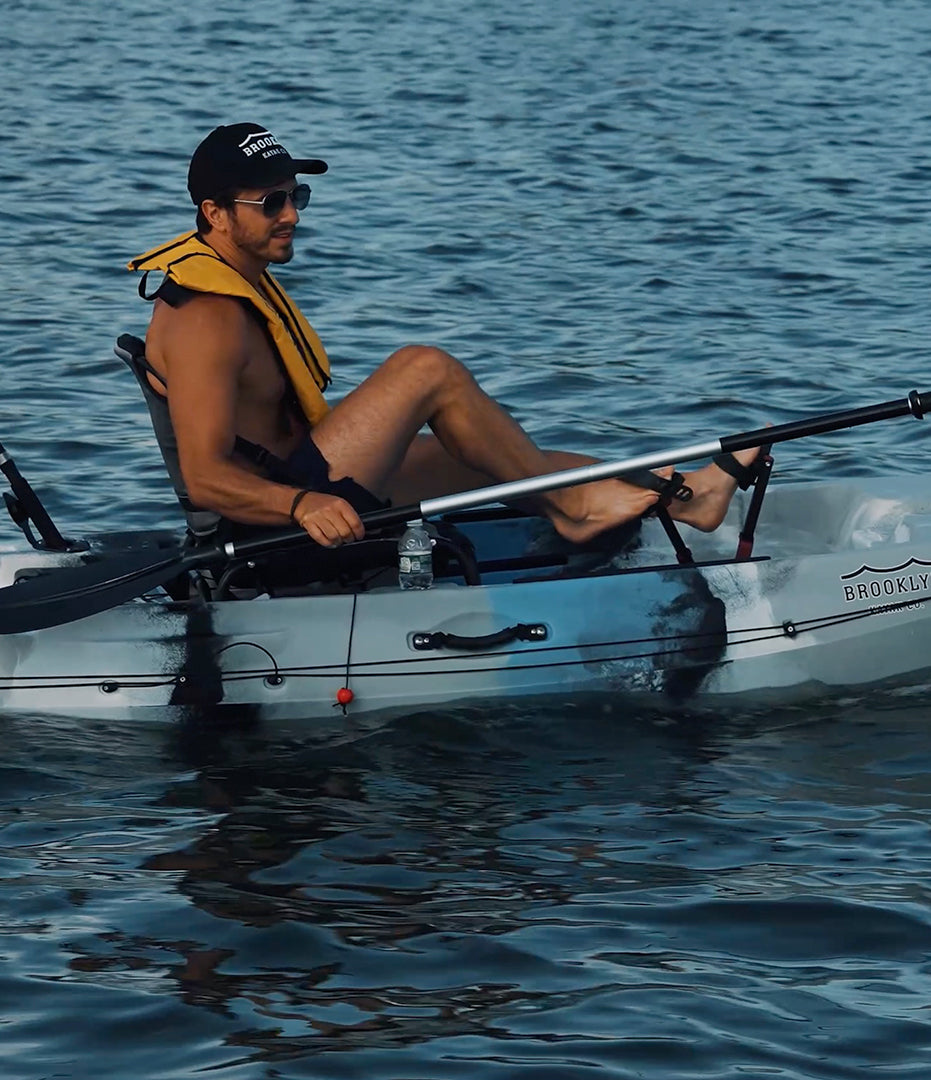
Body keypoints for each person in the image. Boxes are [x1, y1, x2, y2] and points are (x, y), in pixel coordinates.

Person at [129, 122, 759, 550]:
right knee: (424, 368)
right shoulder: (204, 315)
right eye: (271, 203)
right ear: (215, 213)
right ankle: (575, 513)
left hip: (306, 477)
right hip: (273, 527)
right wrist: (300, 506)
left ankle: (686, 500)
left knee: (494, 452)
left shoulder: (240, 277)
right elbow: (206, 476)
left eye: (298, 196)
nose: (292, 214)